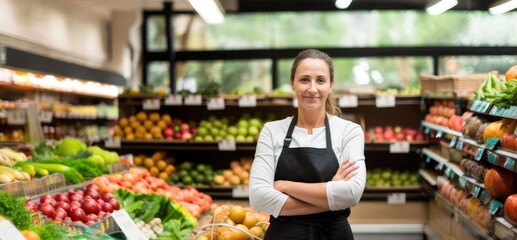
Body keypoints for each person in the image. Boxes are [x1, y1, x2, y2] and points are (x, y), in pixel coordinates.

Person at [249, 49, 366, 240]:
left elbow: (351, 194)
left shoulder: (349, 131)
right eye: (304, 80)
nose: (312, 88)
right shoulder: (272, 131)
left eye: (320, 80)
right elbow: (259, 198)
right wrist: (331, 197)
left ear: (330, 86)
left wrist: (285, 185)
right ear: (293, 84)